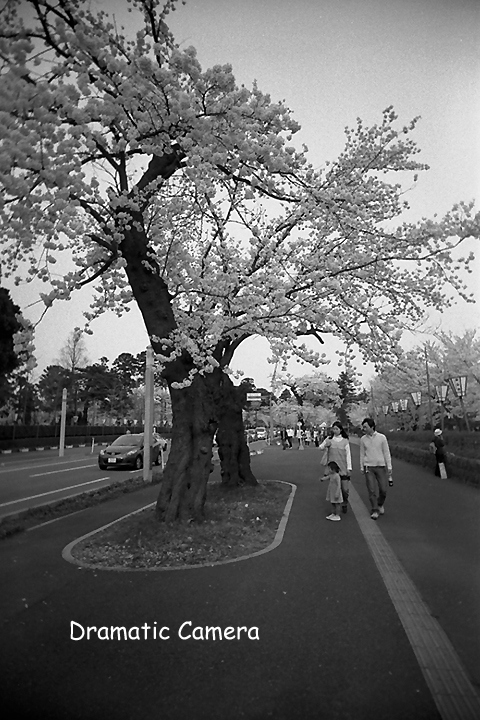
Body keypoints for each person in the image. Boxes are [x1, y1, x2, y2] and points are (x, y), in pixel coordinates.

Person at [359, 418, 393, 520]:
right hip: (368, 466)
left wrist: (389, 466)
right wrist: (361, 466)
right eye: (363, 427)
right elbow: (362, 454)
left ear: (372, 427)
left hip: (381, 466)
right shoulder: (363, 439)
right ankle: (374, 510)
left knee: (383, 489)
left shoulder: (382, 438)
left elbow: (386, 452)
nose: (363, 429)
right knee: (371, 489)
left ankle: (380, 503)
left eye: (365, 427)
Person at [319, 421, 352, 514]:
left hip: (343, 467)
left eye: (337, 429)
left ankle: (344, 502)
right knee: (334, 487)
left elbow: (348, 455)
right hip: (333, 469)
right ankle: (335, 509)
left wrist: (349, 468)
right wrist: (325, 445)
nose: (335, 430)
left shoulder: (345, 441)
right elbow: (320, 447)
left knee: (345, 489)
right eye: (334, 429)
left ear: (341, 430)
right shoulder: (329, 439)